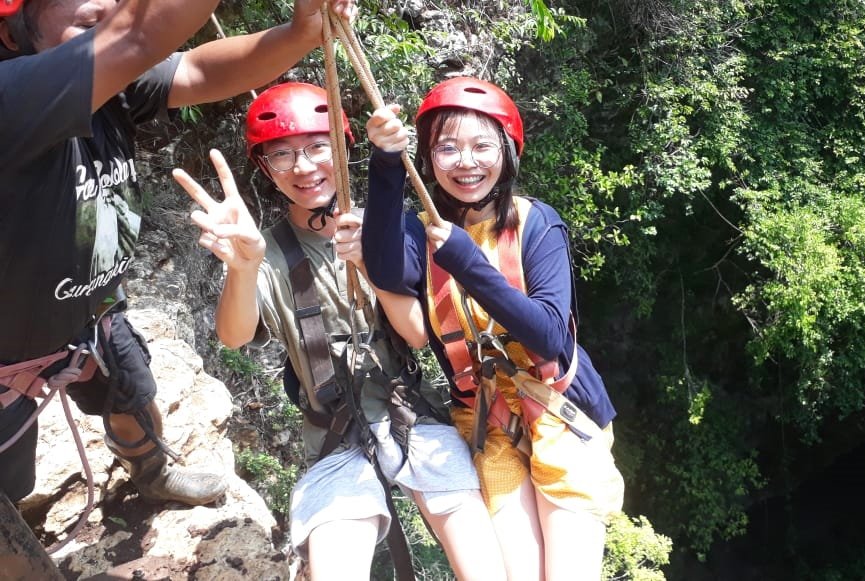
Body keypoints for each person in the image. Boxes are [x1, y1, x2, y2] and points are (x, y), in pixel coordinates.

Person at [0, 0, 356, 515]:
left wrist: (300, 31)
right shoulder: (15, 98)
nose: (102, 3)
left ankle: (151, 470)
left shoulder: (113, 91)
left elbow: (197, 68)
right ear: (13, 35)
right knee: (9, 487)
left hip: (89, 310)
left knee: (132, 391)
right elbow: (139, 35)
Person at [172, 82, 507, 580]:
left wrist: (372, 265)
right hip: (335, 436)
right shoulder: (263, 252)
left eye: (315, 147)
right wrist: (242, 268)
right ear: (265, 169)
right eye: (282, 156)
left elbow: (417, 336)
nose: (303, 168)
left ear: (342, 147)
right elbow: (234, 336)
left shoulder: (392, 229)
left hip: (413, 417)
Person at [361, 77, 626, 580]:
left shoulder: (536, 223)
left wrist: (464, 260)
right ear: (430, 159)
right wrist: (386, 165)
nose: (466, 162)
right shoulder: (423, 230)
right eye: (447, 148)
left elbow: (548, 334)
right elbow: (385, 268)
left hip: (562, 412)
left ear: (506, 151)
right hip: (490, 419)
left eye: (482, 145)